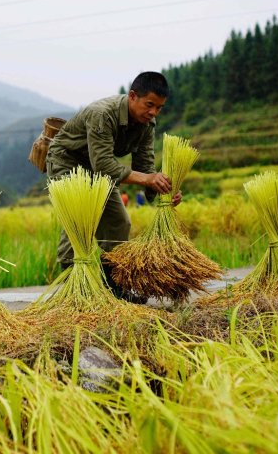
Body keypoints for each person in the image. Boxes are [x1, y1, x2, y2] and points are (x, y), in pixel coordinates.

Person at [45, 71, 182, 303]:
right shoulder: (103, 114)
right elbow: (104, 165)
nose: (153, 112)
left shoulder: (146, 124)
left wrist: (162, 190)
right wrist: (148, 179)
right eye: (149, 105)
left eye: (159, 108)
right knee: (80, 219)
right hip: (67, 161)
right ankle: (73, 286)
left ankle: (115, 288)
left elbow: (145, 165)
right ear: (132, 96)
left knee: (119, 222)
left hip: (98, 166)